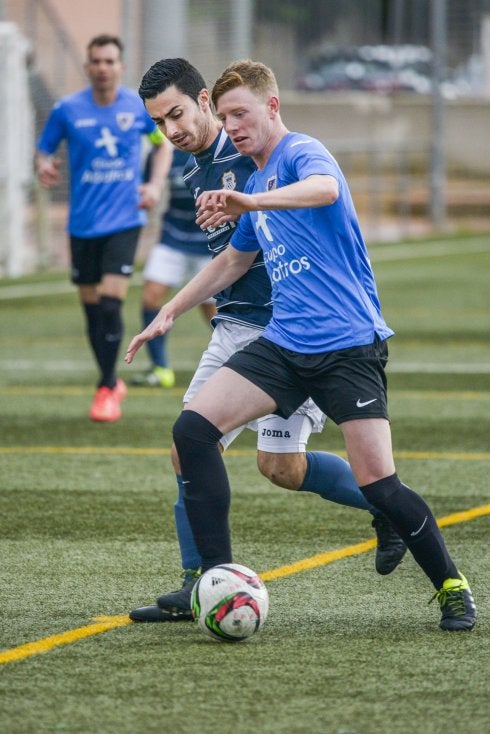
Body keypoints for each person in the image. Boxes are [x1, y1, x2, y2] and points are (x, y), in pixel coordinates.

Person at [125, 59, 476, 632]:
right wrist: (166, 311)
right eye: (228, 115)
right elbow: (234, 259)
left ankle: (452, 586)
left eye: (240, 113)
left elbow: (325, 188)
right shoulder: (251, 180)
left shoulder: (300, 154)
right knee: (192, 434)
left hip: (347, 344)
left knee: (380, 484)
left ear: (271, 107)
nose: (233, 127)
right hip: (282, 344)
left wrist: (252, 203)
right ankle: (212, 582)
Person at [36, 34, 171, 422]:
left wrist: (155, 184)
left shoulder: (137, 107)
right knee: (93, 311)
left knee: (112, 302)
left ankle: (107, 386)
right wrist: (43, 164)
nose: (102, 68)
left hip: (125, 220)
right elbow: (44, 149)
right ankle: (110, 382)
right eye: (96, 61)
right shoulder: (67, 110)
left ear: (120, 67)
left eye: (110, 61)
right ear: (87, 66)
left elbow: (162, 144)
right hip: (82, 225)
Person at [130, 146, 216, 388]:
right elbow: (149, 186)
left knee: (213, 310)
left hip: (210, 240)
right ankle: (159, 368)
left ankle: (235, 365)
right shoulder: (165, 152)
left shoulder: (220, 150)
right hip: (173, 235)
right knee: (150, 298)